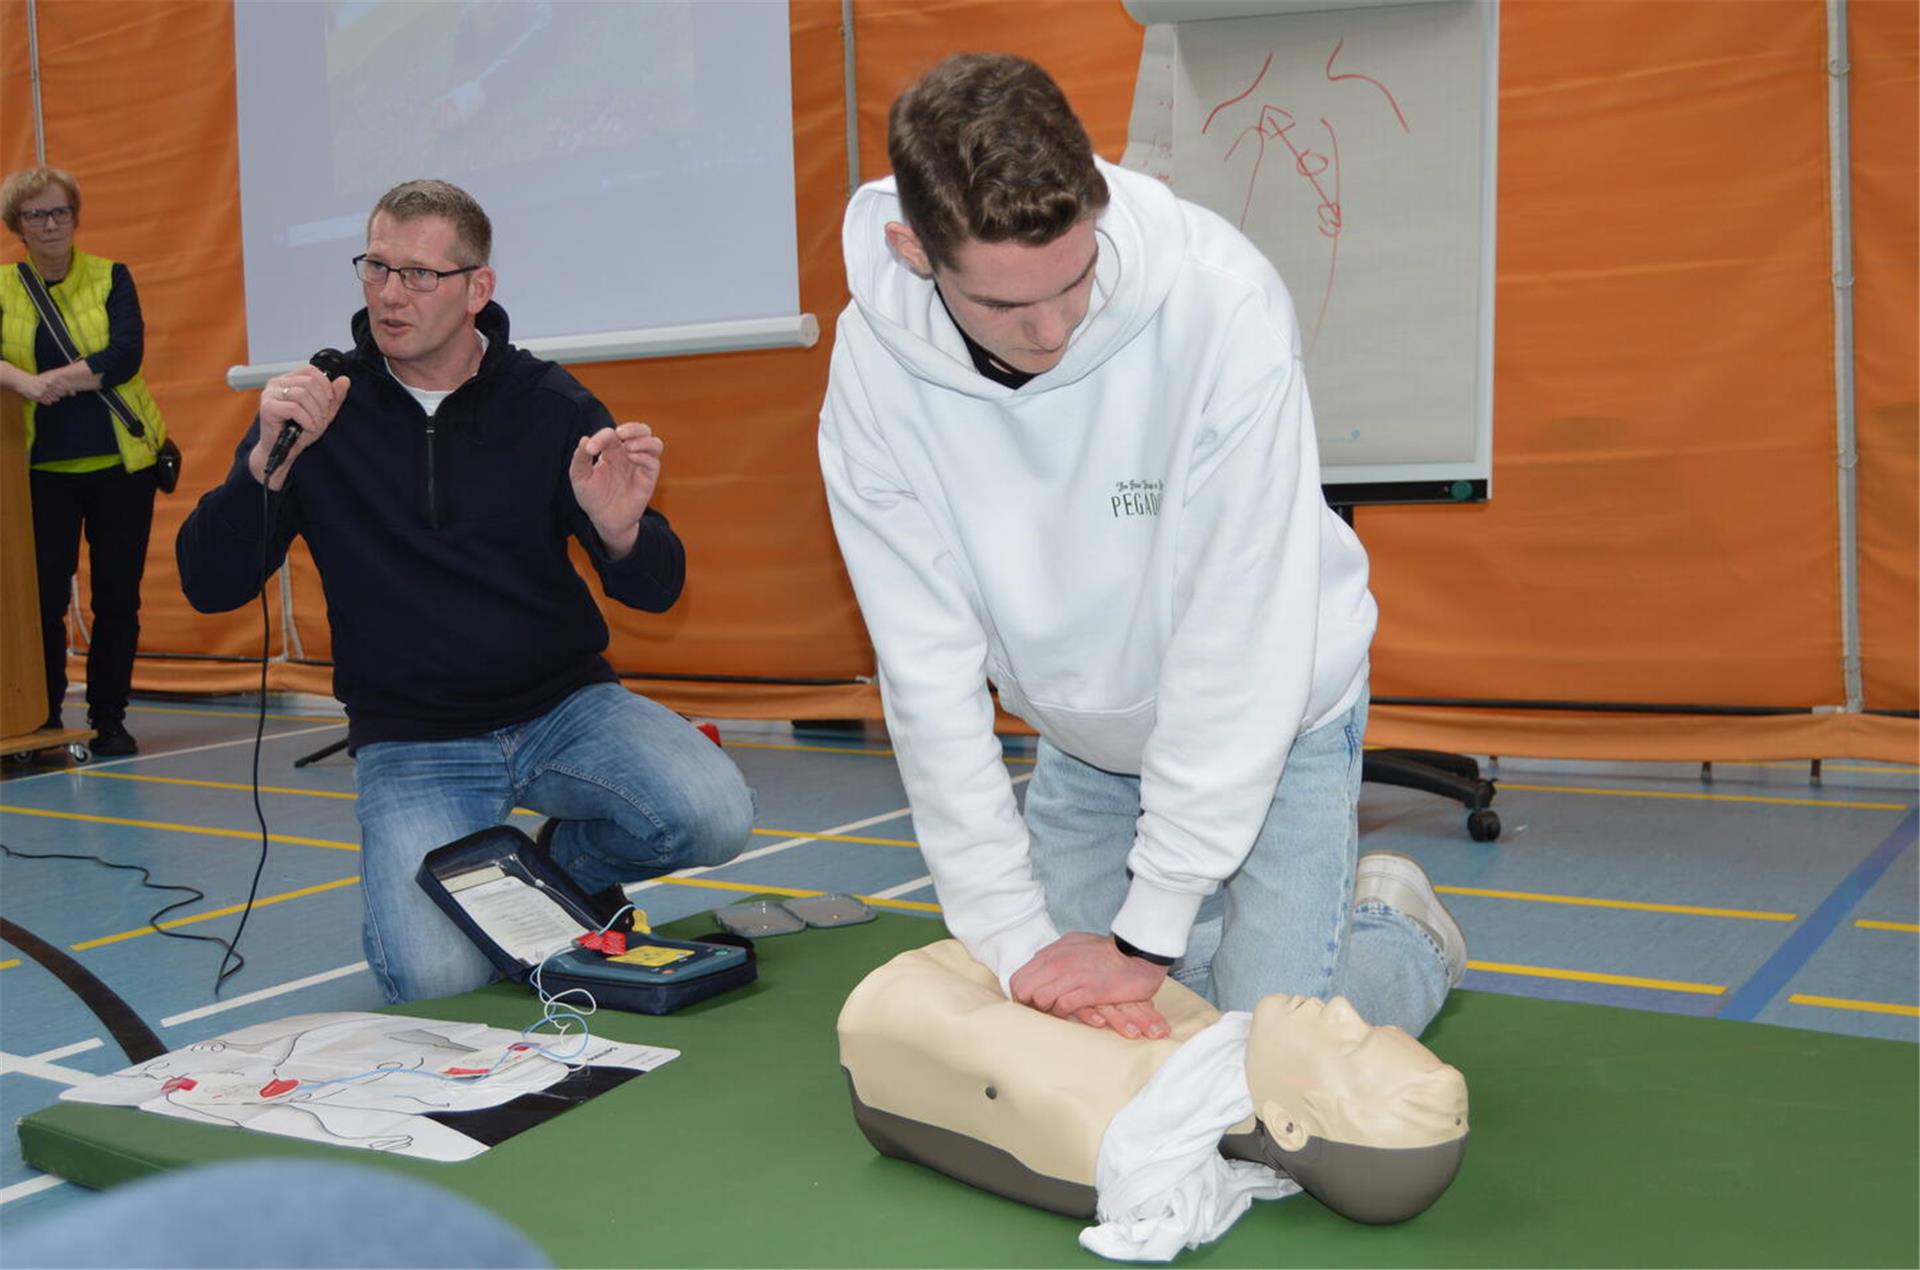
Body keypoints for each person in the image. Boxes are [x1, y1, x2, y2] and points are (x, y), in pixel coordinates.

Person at [817, 54, 1465, 1043]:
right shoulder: (871, 375)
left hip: (1274, 710)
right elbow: (926, 669)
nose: (1052, 330)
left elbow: (1237, 636)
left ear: (1098, 207)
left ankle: (1401, 939)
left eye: (1073, 282)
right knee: (1083, 1038)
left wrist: (1149, 932)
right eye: (1003, 305)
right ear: (914, 250)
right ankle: (1249, 968)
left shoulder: (1222, 304)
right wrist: (1009, 933)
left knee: (1259, 1068)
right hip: (1084, 733)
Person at [176, 179, 753, 1004]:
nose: (387, 294)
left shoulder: (548, 404)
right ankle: (513, 892)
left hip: (562, 710)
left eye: (417, 275)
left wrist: (622, 532)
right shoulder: (320, 408)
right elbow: (208, 583)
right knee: (437, 979)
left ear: (478, 289)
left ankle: (559, 870)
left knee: (713, 812)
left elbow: (658, 590)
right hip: (415, 743)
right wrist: (265, 460)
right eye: (374, 268)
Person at [839, 940, 1469, 1255]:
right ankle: (1404, 937)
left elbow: (908, 1011)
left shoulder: (1106, 1114)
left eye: (1349, 1042)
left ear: (1290, 1127)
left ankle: (1407, 939)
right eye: (1367, 1025)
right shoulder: (1218, 1051)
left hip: (909, 990)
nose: (1342, 1012)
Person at [0, 166, 170, 757]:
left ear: (76, 216)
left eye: (59, 212)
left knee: (118, 597)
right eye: (35, 215)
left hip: (122, 465)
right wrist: (22, 381)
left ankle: (108, 717)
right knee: (42, 600)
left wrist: (52, 381)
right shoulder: (2, 286)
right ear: (16, 225)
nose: (49, 224)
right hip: (38, 473)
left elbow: (123, 355)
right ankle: (43, 716)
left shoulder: (111, 277)